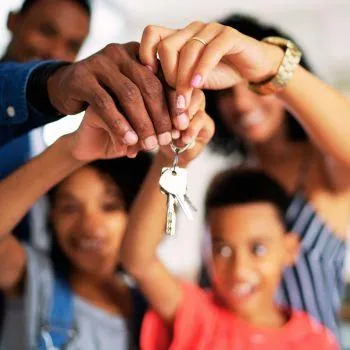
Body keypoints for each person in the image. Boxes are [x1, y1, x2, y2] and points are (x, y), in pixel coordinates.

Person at [138, 17, 350, 337]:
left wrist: (268, 62)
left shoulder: (325, 168)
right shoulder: (229, 182)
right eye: (226, 90)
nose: (240, 102)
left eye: (252, 86)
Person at [0, 84, 205, 349]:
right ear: (51, 216)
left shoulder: (157, 306)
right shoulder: (34, 280)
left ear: (137, 211)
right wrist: (71, 150)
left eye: (109, 206)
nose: (89, 226)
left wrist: (172, 158)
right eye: (69, 208)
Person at [121, 141, 338, 348]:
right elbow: (138, 262)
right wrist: (169, 160)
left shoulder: (316, 341)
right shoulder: (197, 316)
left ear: (290, 249)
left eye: (258, 249)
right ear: (206, 250)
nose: (239, 270)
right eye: (223, 250)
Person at [0, 0, 92, 243]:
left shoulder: (40, 136)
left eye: (72, 45)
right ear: (13, 21)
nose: (55, 52)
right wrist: (49, 83)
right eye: (47, 31)